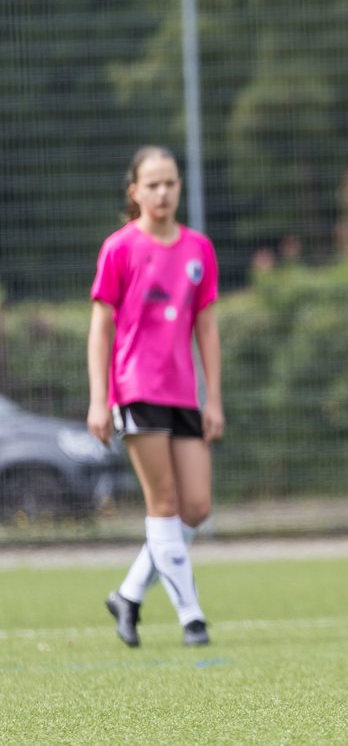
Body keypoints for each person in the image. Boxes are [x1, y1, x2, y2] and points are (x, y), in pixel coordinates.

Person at [87, 146, 223, 648]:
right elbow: (100, 328)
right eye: (153, 185)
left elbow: (206, 329)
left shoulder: (198, 249)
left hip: (184, 393)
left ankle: (127, 593)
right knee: (164, 503)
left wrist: (214, 400)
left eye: (170, 183)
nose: (163, 192)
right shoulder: (119, 248)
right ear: (135, 192)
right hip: (136, 387)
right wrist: (99, 399)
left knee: (197, 506)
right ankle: (192, 617)